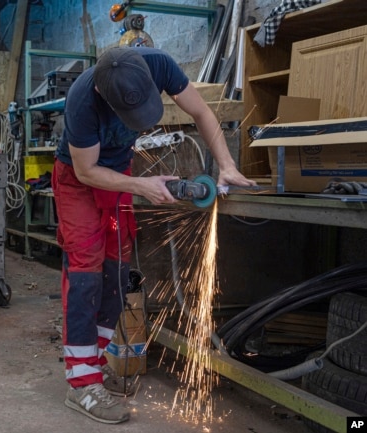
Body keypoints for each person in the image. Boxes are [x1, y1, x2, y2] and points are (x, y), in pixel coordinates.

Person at [52, 46, 257, 424]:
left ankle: (94, 365)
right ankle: (81, 383)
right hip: (79, 181)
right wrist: (140, 186)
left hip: (120, 177)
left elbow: (201, 111)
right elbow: (86, 172)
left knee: (116, 270)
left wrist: (226, 165)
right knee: (85, 271)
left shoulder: (157, 63)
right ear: (103, 95)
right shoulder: (82, 101)